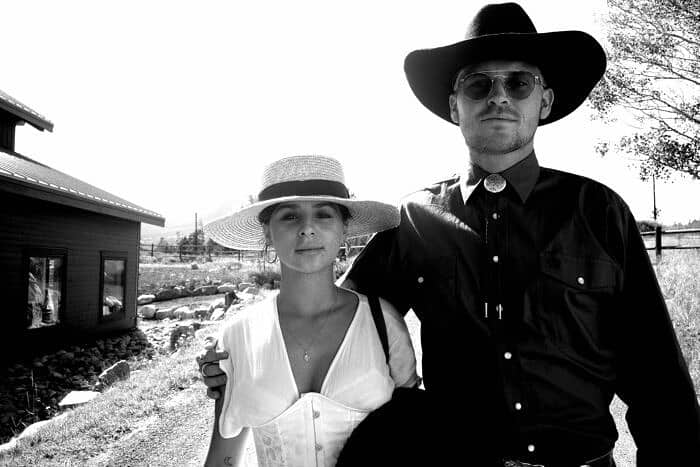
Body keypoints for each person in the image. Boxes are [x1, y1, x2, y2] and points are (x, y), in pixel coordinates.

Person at [200, 3, 700, 465]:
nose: (499, 96)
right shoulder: (414, 220)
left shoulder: (600, 212)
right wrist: (243, 363)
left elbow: (658, 381)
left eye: (519, 83)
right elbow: (333, 313)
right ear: (455, 106)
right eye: (478, 85)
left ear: (544, 101)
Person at [199, 155, 419, 467]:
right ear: (267, 232)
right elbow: (223, 459)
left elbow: (412, 431)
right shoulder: (237, 336)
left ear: (344, 228)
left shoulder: (382, 323)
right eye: (290, 216)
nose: (307, 229)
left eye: (324, 214)